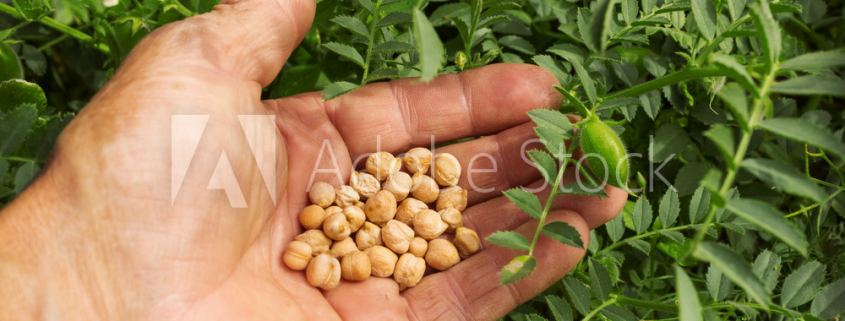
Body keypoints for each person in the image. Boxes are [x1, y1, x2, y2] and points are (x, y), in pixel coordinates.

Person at [0, 0, 626, 319]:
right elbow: (384, 230)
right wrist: (84, 272)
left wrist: (74, 281)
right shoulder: (365, 225)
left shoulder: (397, 220)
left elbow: (399, 229)